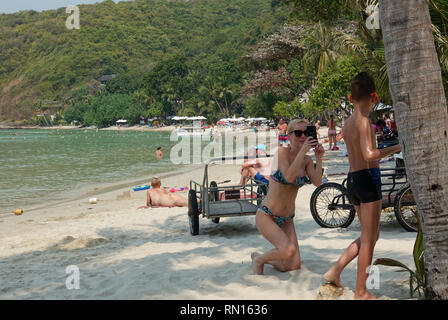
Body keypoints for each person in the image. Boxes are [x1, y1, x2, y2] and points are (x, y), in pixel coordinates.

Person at [323, 72, 401, 300]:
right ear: (374, 96)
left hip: (353, 179)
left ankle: (335, 270)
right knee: (369, 239)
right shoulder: (364, 122)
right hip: (368, 178)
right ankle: (361, 291)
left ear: (350, 98)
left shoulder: (347, 124)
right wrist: (396, 147)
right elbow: (369, 154)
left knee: (369, 236)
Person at [251, 119, 324, 275]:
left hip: (287, 219)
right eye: (298, 133)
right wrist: (303, 151)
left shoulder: (307, 161)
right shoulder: (282, 153)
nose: (303, 136)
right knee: (288, 250)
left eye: (306, 132)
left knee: (292, 265)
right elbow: (289, 176)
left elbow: (317, 182)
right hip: (267, 215)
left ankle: (260, 256)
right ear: (289, 136)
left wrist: (319, 157)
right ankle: (259, 260)